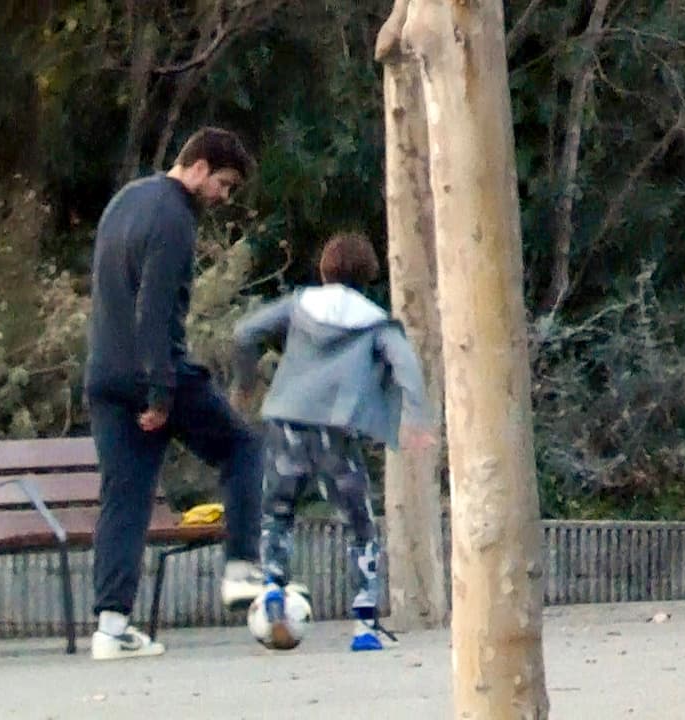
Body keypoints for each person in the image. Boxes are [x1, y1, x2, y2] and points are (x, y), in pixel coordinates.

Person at [84, 127, 267, 660]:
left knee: (125, 498)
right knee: (243, 447)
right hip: (151, 373)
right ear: (200, 168)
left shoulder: (126, 201)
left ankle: (112, 628)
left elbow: (108, 295)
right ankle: (241, 568)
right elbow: (156, 308)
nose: (223, 197)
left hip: (104, 374)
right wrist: (161, 393)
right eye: (225, 185)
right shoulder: (174, 219)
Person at [231, 231, 436, 652]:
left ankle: (272, 585)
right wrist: (417, 419)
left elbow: (245, 332)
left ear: (324, 269)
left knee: (278, 513)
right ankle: (364, 623)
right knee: (360, 525)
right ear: (369, 274)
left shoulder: (299, 304)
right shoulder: (375, 322)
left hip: (285, 418)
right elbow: (406, 366)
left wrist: (245, 384)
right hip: (335, 430)